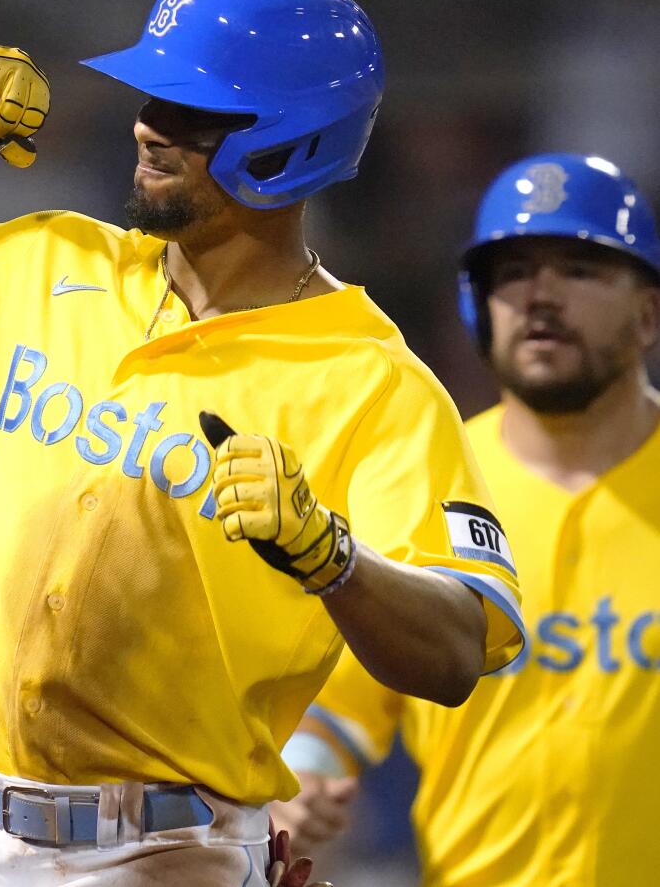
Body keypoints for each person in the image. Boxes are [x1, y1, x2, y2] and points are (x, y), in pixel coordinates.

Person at [0, 0, 525, 887]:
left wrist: (330, 557)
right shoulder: (46, 258)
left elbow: (462, 645)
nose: (148, 126)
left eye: (192, 111)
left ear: (291, 140)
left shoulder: (370, 383)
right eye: (152, 96)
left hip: (163, 851)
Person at [273, 153, 660, 886]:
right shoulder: (430, 482)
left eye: (579, 269)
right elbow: (338, 707)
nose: (540, 295)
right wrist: (305, 778)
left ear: (648, 313)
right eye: (510, 273)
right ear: (476, 306)